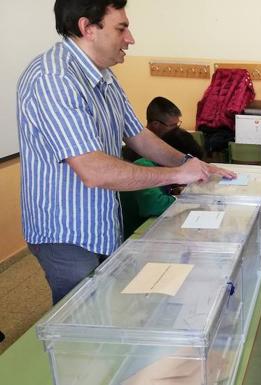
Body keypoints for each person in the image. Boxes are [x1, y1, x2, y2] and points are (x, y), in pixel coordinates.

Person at [17, 0, 234, 305]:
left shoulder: (104, 77)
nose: (130, 38)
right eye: (121, 28)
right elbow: (93, 170)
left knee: (108, 308)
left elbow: (139, 137)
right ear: (87, 28)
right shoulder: (54, 79)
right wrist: (176, 173)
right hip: (67, 233)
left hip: (100, 223)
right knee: (81, 323)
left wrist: (191, 163)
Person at [120, 128, 204, 240]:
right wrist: (186, 202)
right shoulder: (144, 166)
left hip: (150, 228)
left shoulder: (157, 166)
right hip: (135, 235)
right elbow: (153, 205)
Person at [122, 96, 201, 162]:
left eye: (177, 124)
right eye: (173, 125)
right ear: (156, 124)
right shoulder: (134, 149)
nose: (177, 128)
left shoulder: (181, 140)